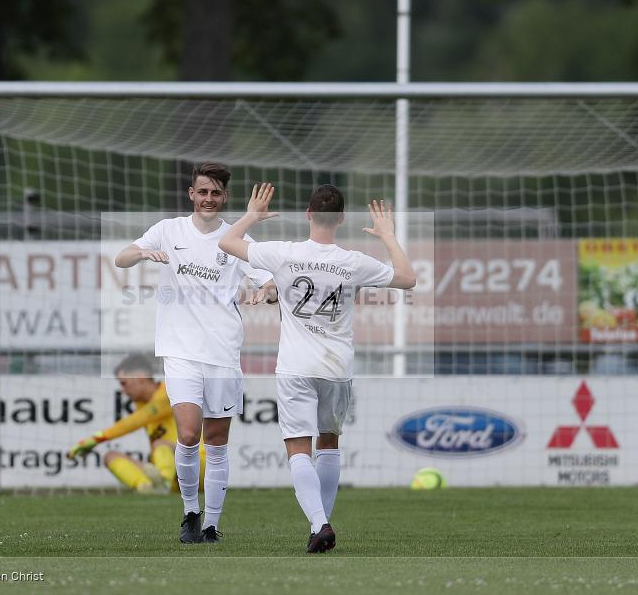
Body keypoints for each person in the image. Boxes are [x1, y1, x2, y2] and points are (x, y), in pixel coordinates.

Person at [218, 183, 416, 553]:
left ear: (308, 213)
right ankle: (319, 525)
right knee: (329, 443)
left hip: (295, 366)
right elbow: (407, 278)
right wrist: (388, 236)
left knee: (298, 448)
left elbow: (227, 242)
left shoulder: (284, 254)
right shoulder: (354, 261)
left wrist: (252, 215)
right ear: (341, 219)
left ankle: (319, 523)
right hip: (337, 366)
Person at [114, 162, 275, 544]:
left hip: (222, 352)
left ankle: (213, 524)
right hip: (180, 351)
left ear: (224, 198)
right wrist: (140, 255)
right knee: (187, 435)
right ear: (191, 194)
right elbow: (122, 257)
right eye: (202, 192)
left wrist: (264, 293)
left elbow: (271, 283)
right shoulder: (168, 230)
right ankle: (189, 512)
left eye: (215, 193)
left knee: (217, 441)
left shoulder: (234, 240)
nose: (208, 199)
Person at [66, 354, 204, 493]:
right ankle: (147, 487)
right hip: (172, 476)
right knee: (110, 456)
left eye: (124, 383)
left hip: (199, 468)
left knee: (160, 444)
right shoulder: (141, 403)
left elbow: (136, 421)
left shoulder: (168, 393)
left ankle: (163, 483)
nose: (122, 389)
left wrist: (98, 438)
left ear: (140, 377)